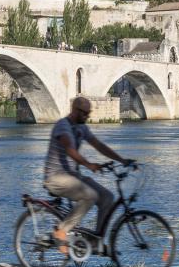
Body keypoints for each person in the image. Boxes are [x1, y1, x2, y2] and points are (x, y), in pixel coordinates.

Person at [44, 96, 134, 253]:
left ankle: (95, 242)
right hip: (55, 177)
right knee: (90, 195)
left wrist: (122, 160)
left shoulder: (81, 128)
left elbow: (99, 145)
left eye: (89, 113)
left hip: (73, 176)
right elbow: (69, 149)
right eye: (85, 113)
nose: (87, 116)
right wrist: (89, 165)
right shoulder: (62, 126)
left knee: (107, 197)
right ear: (75, 110)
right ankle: (61, 231)